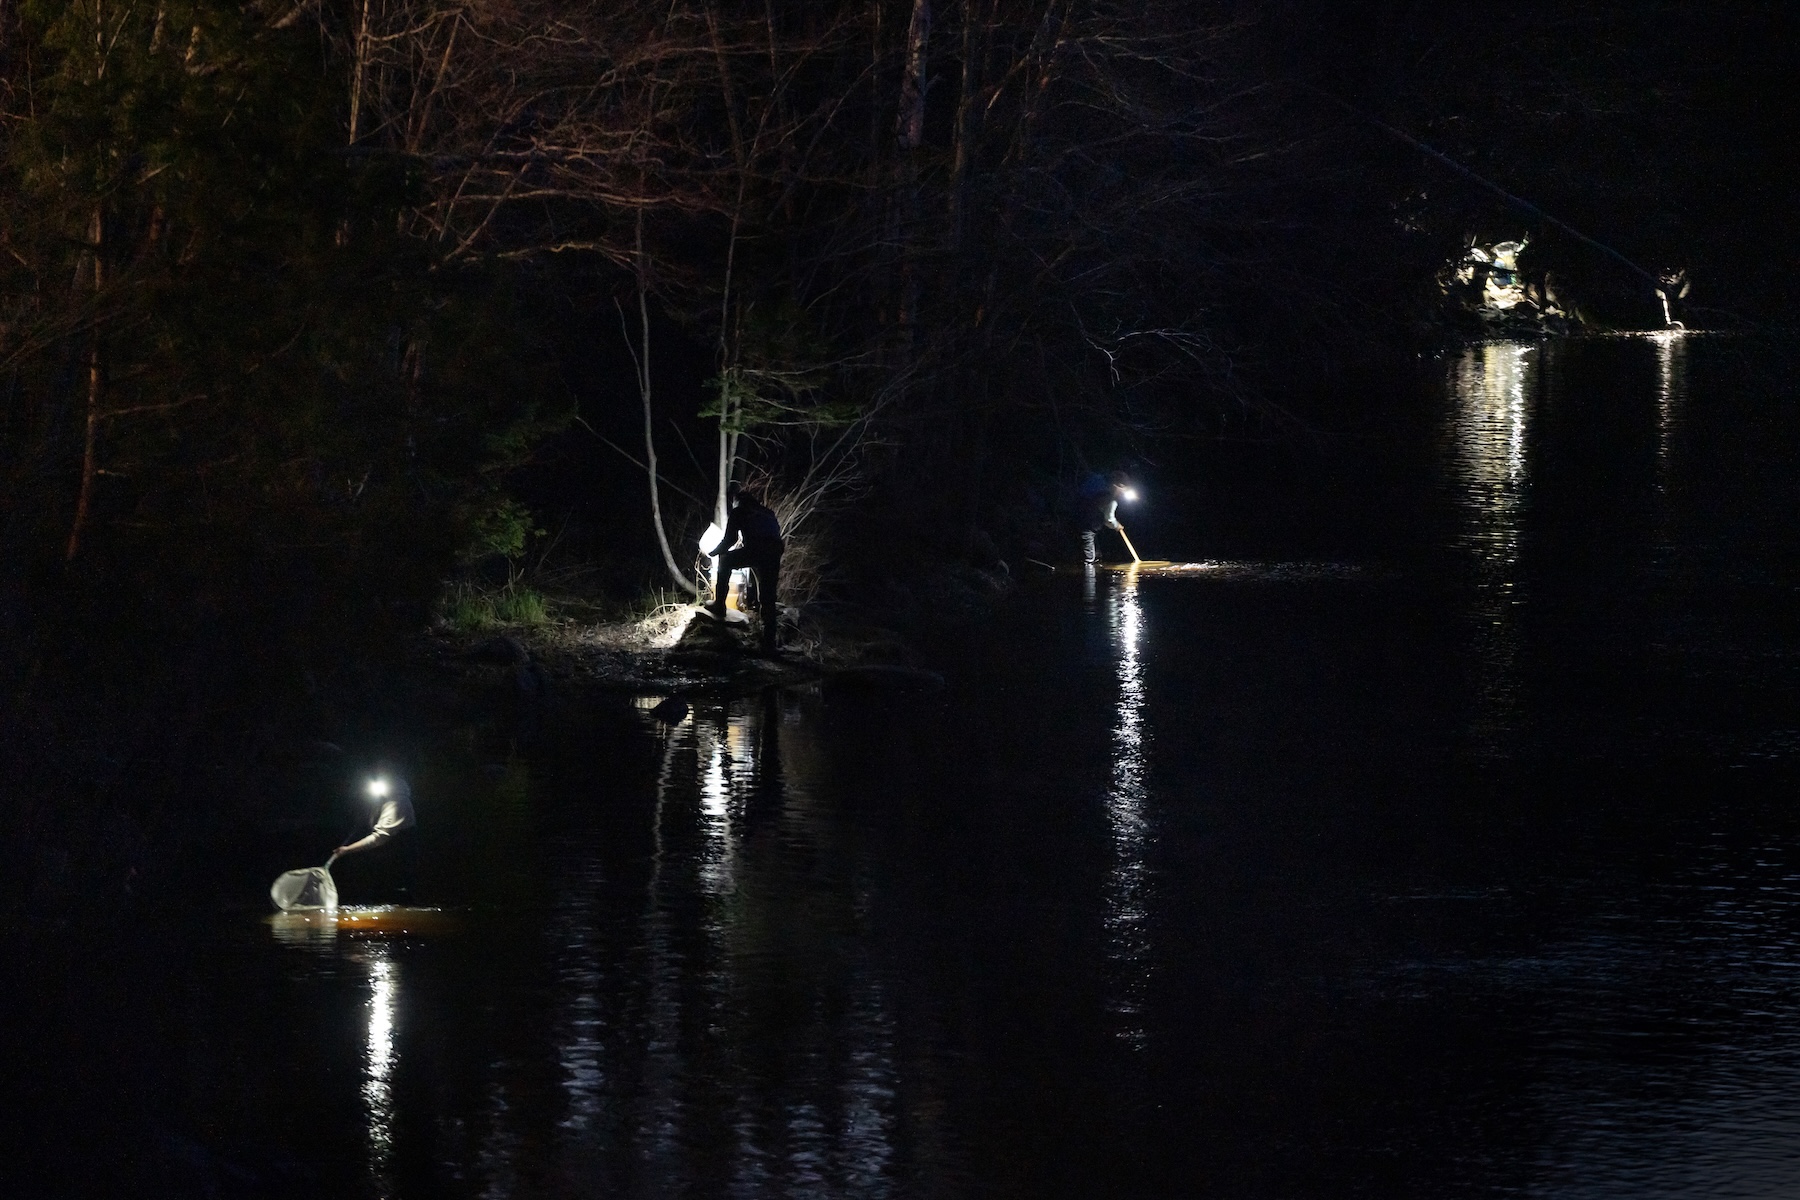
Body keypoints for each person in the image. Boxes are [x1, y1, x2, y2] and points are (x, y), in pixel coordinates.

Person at [708, 481, 786, 652]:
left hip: (758, 549)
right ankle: (769, 641)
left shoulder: (740, 511)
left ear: (736, 500)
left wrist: (712, 553)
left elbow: (729, 540)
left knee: (725, 561)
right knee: (768, 595)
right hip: (775, 551)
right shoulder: (767, 512)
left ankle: (720, 605)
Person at [334, 767, 419, 903]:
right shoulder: (383, 798)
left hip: (397, 855)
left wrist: (347, 850)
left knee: (394, 892)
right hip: (385, 855)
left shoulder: (398, 803)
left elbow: (379, 838)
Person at [1078, 471, 1132, 566]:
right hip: (1089, 522)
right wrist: (1116, 525)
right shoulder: (1110, 496)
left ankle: (1093, 565)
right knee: (1089, 558)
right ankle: (1087, 572)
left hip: (1080, 515)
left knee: (1095, 551)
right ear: (1118, 485)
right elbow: (1109, 519)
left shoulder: (1097, 478)